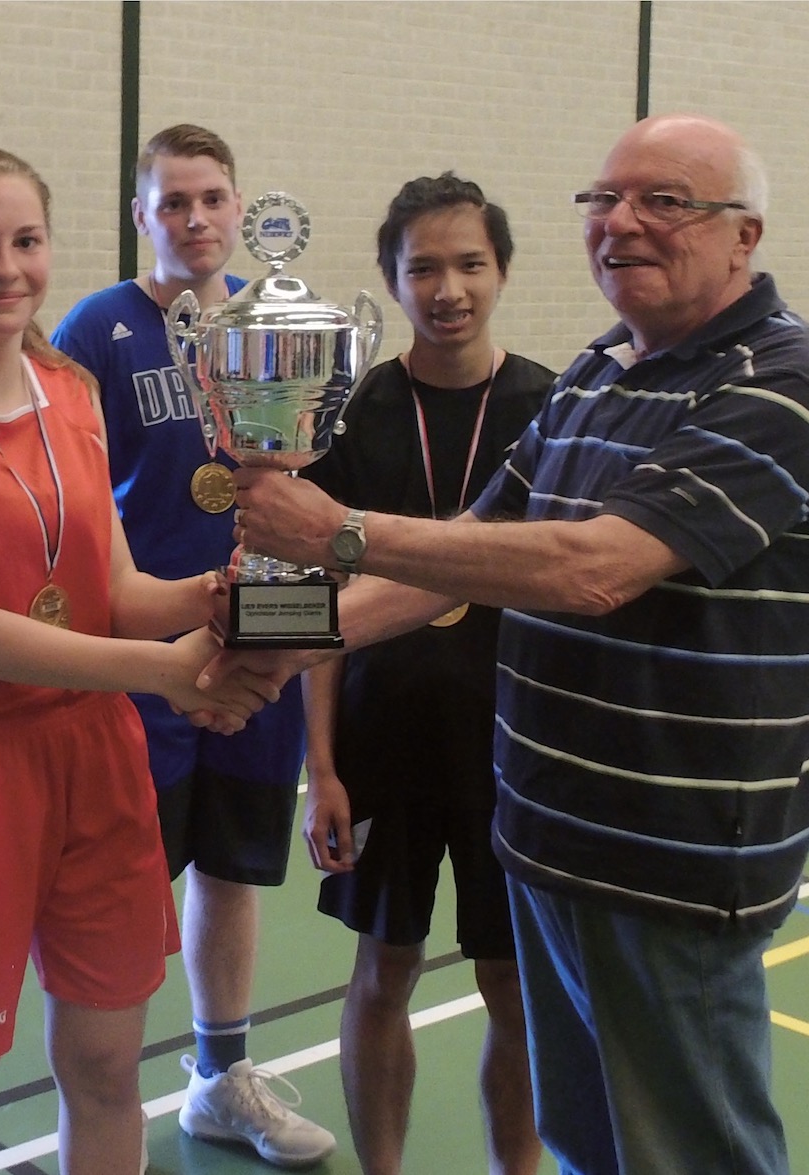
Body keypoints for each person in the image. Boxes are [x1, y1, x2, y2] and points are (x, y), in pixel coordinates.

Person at [224, 114, 809, 1174]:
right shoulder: (602, 371)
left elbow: (594, 568)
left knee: (686, 1154)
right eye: (603, 200)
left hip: (668, 863)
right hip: (545, 840)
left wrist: (337, 531)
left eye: (665, 201)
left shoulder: (793, 376)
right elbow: (462, 552)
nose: (622, 222)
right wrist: (272, 644)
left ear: (744, 235)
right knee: (586, 1144)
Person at [0, 147, 277, 1175]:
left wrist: (221, 596)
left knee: (108, 1067)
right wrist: (165, 671)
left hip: (98, 754)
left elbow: (116, 587)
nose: (6, 267)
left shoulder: (74, 391)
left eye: (26, 241)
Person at [50, 124, 335, 1170]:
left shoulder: (276, 322)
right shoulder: (97, 329)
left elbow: (305, 493)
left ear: (241, 206)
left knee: (231, 868)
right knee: (130, 884)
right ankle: (105, 1096)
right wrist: (161, 639)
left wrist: (273, 644)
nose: (197, 218)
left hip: (260, 649)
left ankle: (220, 1077)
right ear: (142, 215)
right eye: (174, 201)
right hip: (148, 655)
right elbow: (80, 501)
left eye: (213, 197)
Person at [297, 174, 549, 1175]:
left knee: (513, 986)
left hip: (512, 752)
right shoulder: (357, 411)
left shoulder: (549, 407)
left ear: (503, 271)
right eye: (425, 268)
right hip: (382, 746)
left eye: (470, 264)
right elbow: (319, 604)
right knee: (383, 969)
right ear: (393, 280)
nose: (449, 289)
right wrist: (322, 765)